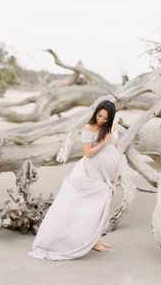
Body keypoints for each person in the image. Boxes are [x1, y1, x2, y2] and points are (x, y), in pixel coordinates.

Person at [28, 100, 120, 260]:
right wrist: (104, 143)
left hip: (107, 174)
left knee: (105, 202)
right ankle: (91, 241)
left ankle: (94, 238)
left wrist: (116, 172)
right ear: (96, 113)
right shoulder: (88, 128)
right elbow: (88, 153)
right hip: (90, 172)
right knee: (89, 206)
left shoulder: (110, 127)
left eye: (106, 118)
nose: (101, 120)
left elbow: (116, 147)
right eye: (99, 116)